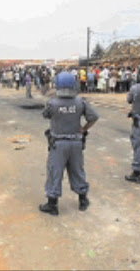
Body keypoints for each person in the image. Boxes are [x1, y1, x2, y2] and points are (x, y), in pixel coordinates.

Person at [39, 72, 99, 216]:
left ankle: (52, 205)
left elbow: (45, 115)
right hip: (76, 144)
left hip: (58, 144)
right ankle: (83, 200)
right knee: (77, 171)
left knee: (55, 172)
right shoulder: (80, 102)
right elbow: (94, 117)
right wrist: (84, 129)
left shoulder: (53, 103)